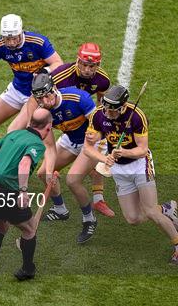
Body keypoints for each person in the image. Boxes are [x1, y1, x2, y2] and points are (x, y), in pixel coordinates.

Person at [69, 85, 178, 265]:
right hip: (119, 170)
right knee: (132, 218)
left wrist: (124, 153)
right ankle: (166, 209)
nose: (108, 114)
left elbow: (142, 150)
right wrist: (104, 158)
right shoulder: (99, 115)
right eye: (106, 109)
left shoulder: (137, 117)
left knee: (149, 210)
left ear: (123, 107)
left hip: (140, 165)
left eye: (113, 111)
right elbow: (87, 149)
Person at [10, 42, 115, 217]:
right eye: (84, 64)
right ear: (77, 61)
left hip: (84, 119)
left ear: (98, 65)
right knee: (44, 172)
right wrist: (33, 125)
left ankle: (98, 200)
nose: (87, 70)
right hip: (68, 125)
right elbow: (34, 100)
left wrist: (101, 131)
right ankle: (59, 208)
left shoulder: (102, 80)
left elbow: (101, 105)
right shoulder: (59, 77)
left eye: (92, 66)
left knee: (88, 162)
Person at [0, 14, 63, 176]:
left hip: (36, 95)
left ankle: (11, 172)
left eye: (14, 38)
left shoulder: (38, 42)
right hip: (16, 89)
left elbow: (58, 63)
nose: (11, 42)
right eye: (7, 39)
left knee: (12, 133)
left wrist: (43, 72)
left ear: (21, 32)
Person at [0, 108, 53, 290]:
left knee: (1, 227)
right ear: (48, 128)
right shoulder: (37, 144)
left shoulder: (14, 134)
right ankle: (27, 269)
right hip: (8, 192)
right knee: (29, 229)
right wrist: (23, 191)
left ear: (30, 123)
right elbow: (24, 163)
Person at [29, 73, 100, 244]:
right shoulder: (42, 113)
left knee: (72, 180)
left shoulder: (79, 98)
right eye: (40, 99)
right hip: (70, 140)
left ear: (54, 89)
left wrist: (94, 138)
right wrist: (49, 171)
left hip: (90, 142)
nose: (45, 101)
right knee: (42, 173)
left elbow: (99, 125)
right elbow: (50, 147)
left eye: (47, 95)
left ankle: (89, 218)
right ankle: (60, 209)